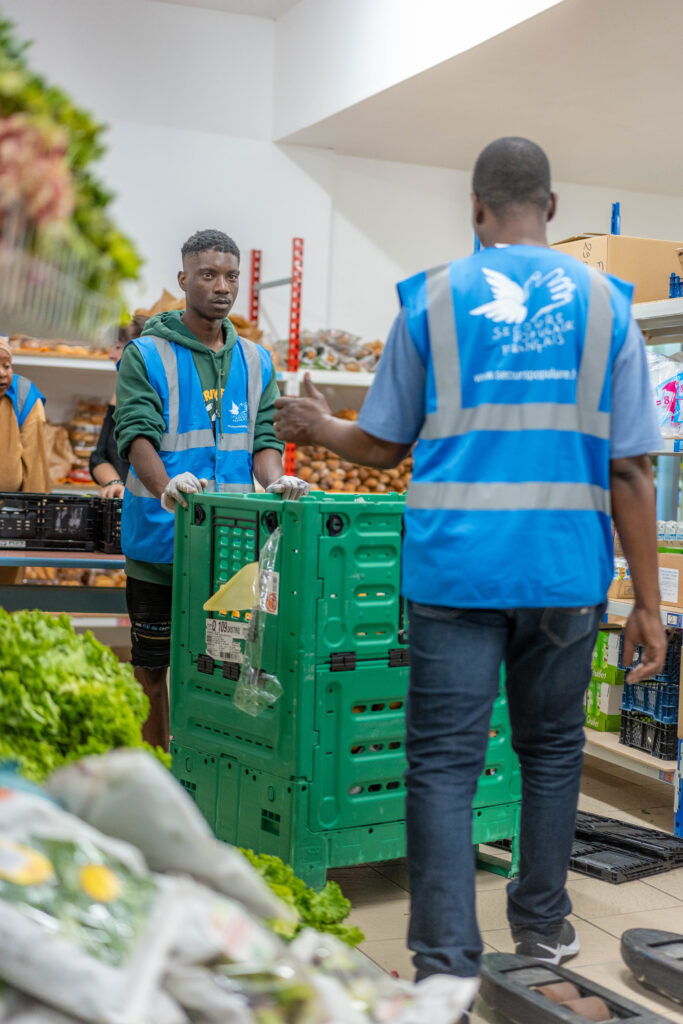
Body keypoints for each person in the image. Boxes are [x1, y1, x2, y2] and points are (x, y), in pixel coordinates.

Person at [273, 138, 667, 1019]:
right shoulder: (608, 306)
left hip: (454, 571)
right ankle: (543, 927)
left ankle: (444, 966)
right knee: (552, 752)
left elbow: (380, 446)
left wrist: (315, 421)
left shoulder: (433, 299)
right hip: (565, 571)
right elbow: (632, 471)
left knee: (446, 764)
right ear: (552, 209)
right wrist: (645, 601)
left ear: (477, 211)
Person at [114, 229, 309, 751]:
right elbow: (134, 434)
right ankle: (157, 774)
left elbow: (264, 438)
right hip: (160, 543)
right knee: (152, 673)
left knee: (221, 669)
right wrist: (166, 486)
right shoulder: (146, 354)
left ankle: (208, 780)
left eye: (230, 276)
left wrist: (275, 480)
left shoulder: (257, 360)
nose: (221, 287)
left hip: (229, 554)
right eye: (208, 274)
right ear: (184, 280)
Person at [90, 317, 146, 498]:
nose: (110, 355)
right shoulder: (119, 392)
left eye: (117, 347)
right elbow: (98, 457)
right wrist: (115, 483)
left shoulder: (163, 399)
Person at [0, 336, 51, 495]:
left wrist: (34, 511)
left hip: (9, 509)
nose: (2, 373)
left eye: (6, 366)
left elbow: (35, 465)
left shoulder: (25, 395)